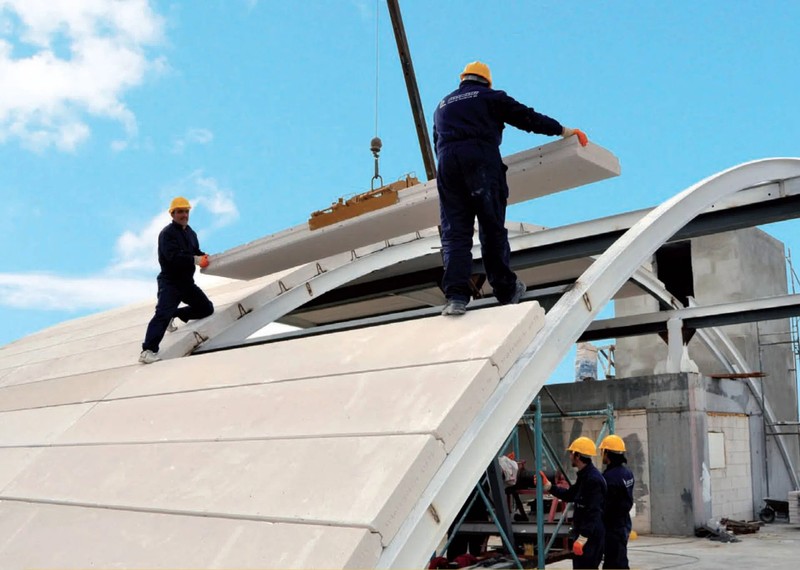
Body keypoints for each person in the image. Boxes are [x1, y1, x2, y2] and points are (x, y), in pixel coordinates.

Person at [432, 61, 588, 316]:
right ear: (487, 81)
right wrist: (564, 130)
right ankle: (505, 290)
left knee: (455, 235)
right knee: (491, 227)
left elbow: (437, 140)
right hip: (480, 161)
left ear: (463, 79)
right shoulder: (491, 97)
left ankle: (456, 297)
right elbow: (527, 118)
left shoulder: (441, 106)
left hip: (447, 166)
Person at [139, 197, 214, 364]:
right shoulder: (167, 234)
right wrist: (195, 260)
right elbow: (173, 257)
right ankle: (147, 351)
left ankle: (176, 313)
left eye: (186, 211)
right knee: (162, 315)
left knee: (206, 308)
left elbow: (196, 252)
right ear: (172, 214)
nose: (184, 215)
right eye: (180, 212)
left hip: (187, 283)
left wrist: (206, 257)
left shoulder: (191, 233)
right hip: (170, 283)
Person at [538, 436, 606, 569]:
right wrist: (549, 486)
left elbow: (594, 511)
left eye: (571, 453)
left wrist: (583, 538)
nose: (570, 456)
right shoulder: (585, 476)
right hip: (586, 535)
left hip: (590, 537)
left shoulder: (593, 480)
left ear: (578, 456)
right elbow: (570, 495)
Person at [599, 435, 635, 570]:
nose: (601, 454)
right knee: (619, 558)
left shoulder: (609, 478)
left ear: (607, 453)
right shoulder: (627, 473)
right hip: (624, 522)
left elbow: (605, 505)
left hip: (613, 526)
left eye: (603, 451)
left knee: (614, 562)